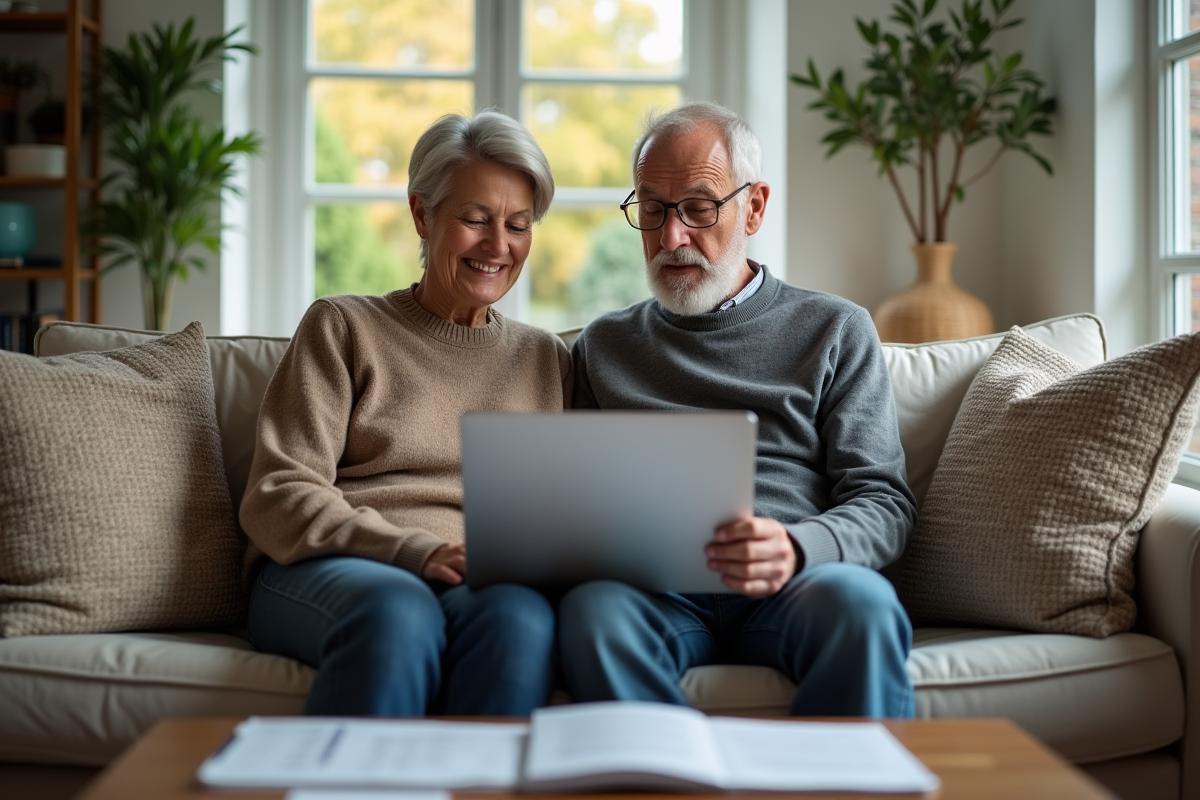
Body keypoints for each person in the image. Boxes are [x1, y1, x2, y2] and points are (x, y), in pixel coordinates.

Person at [558, 101, 918, 717]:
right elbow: (574, 501)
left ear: (753, 206)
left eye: (699, 207)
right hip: (656, 594)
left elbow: (885, 503)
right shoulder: (604, 345)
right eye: (652, 210)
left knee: (863, 607)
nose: (671, 237)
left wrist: (798, 547)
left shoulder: (835, 328)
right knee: (593, 612)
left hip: (796, 583)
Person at [239, 111, 570, 716]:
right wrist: (413, 550)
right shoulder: (344, 326)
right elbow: (277, 491)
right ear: (422, 214)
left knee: (520, 620)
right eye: (475, 220)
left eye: (518, 225)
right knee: (398, 612)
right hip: (336, 568)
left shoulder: (545, 359)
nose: (499, 246)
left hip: (474, 581)